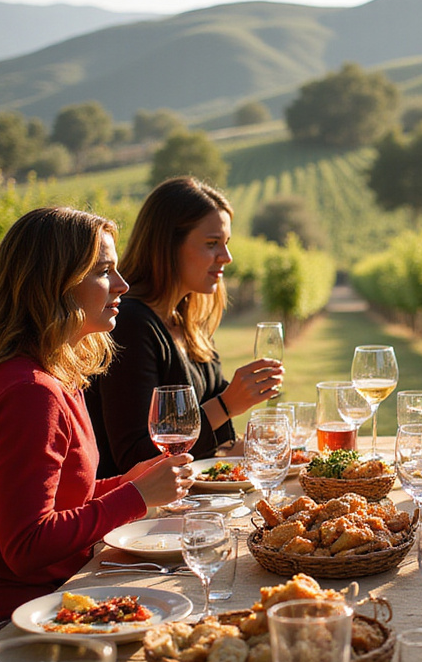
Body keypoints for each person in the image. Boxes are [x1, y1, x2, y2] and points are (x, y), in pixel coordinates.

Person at [0, 207, 192, 638]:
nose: (122, 285)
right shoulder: (28, 393)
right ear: (54, 284)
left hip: (54, 595)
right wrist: (135, 496)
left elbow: (57, 503)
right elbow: (26, 545)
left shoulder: (56, 375)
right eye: (103, 271)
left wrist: (126, 483)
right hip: (4, 623)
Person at [86, 176, 282, 476]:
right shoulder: (129, 324)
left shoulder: (190, 321)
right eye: (212, 244)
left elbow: (216, 441)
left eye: (225, 244)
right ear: (168, 245)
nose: (226, 257)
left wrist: (269, 448)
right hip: (140, 516)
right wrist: (228, 404)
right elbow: (134, 457)